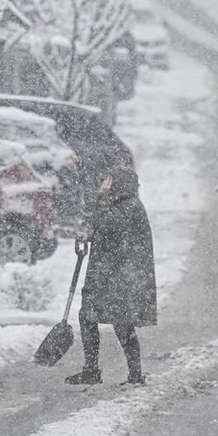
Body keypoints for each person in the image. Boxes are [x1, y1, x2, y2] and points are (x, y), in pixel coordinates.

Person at [67, 163, 156, 385]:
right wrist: (90, 236)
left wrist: (101, 197)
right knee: (105, 319)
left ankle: (100, 372)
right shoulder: (127, 206)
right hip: (117, 275)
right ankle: (119, 373)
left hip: (118, 277)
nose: (105, 185)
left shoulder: (128, 207)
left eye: (109, 181)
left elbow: (106, 226)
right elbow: (107, 232)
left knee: (111, 320)